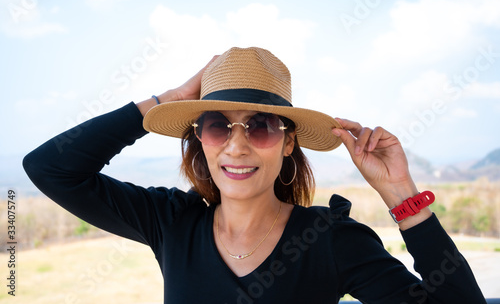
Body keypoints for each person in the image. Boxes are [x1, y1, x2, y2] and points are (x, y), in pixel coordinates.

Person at [23, 47, 486, 303]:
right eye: (217, 124)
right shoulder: (171, 223)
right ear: (200, 140)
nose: (237, 144)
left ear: (289, 143)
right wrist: (162, 101)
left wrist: (400, 193)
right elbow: (50, 168)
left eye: (261, 126)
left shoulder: (330, 240)